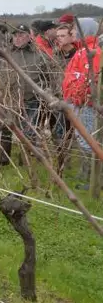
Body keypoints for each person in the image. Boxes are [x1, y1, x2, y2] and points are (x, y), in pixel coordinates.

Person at [63, 18, 101, 189]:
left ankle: (96, 179)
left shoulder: (92, 52)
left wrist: (77, 97)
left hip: (85, 105)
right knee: (85, 139)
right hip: (77, 103)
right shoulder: (82, 51)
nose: (73, 32)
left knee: (89, 141)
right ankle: (92, 177)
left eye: (76, 29)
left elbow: (90, 79)